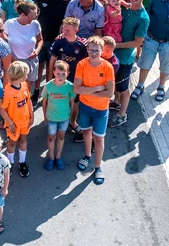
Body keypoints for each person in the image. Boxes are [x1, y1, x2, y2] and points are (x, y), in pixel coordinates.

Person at [74, 36, 115, 185]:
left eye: (97, 50)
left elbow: (109, 93)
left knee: (99, 138)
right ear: (87, 49)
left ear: (102, 50)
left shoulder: (107, 67)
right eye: (91, 50)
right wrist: (98, 88)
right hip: (85, 106)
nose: (93, 53)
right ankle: (87, 156)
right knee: (86, 132)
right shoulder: (81, 65)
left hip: (101, 109)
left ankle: (98, 167)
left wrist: (87, 91)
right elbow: (77, 89)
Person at [111, 0, 150, 127]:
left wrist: (116, 45)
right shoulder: (125, 8)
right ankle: (115, 102)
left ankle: (122, 114)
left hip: (125, 58)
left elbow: (137, 42)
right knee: (114, 81)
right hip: (113, 54)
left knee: (123, 87)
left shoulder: (143, 18)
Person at [48, 17, 87, 139]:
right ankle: (55, 119)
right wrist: (49, 78)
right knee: (58, 99)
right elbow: (52, 61)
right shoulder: (58, 42)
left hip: (75, 80)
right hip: (59, 79)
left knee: (74, 102)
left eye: (68, 29)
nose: (64, 31)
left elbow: (85, 63)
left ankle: (72, 122)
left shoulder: (81, 45)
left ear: (76, 30)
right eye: (63, 28)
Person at [36, 0, 72, 90]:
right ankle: (36, 91)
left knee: (51, 67)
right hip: (41, 37)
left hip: (56, 39)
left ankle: (48, 90)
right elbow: (36, 15)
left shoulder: (67, 1)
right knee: (39, 65)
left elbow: (66, 21)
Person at [0, 61, 33, 177]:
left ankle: (22, 162)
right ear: (20, 76)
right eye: (26, 74)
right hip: (13, 124)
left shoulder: (24, 85)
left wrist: (31, 115)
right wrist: (10, 124)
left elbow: (28, 101)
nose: (27, 76)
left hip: (24, 122)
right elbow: (2, 110)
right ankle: (10, 162)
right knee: (12, 143)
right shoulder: (8, 91)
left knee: (23, 140)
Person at [5, 0, 43, 104]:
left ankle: (24, 108)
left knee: (27, 87)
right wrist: (13, 58)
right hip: (15, 62)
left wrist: (37, 51)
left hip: (30, 61)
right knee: (14, 88)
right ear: (23, 15)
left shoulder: (35, 24)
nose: (34, 18)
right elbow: (3, 40)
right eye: (32, 16)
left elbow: (40, 40)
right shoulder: (9, 24)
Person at [42, 60, 75, 171]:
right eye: (58, 73)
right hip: (51, 117)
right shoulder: (48, 86)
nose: (60, 76)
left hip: (64, 117)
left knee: (61, 136)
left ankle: (58, 156)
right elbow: (44, 102)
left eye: (63, 74)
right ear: (53, 72)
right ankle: (51, 157)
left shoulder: (70, 86)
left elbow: (72, 102)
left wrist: (71, 116)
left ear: (68, 73)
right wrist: (44, 115)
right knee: (51, 137)